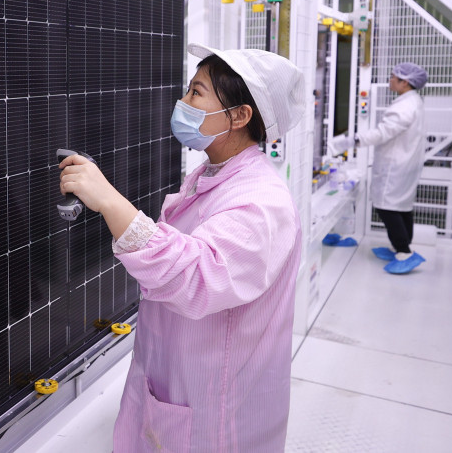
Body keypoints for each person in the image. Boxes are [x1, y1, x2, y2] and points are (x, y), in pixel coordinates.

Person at [58, 44, 305, 452]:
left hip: (218, 406)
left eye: (196, 93)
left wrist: (110, 202)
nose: (183, 102)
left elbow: (196, 275)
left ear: (240, 116)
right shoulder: (211, 173)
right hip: (180, 375)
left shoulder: (262, 203)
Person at [329, 62, 428, 274]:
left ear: (405, 82)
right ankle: (398, 247)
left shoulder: (404, 106)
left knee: (387, 206)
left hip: (396, 165)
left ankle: (404, 252)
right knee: (402, 206)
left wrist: (352, 141)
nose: (390, 80)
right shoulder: (413, 101)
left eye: (394, 77)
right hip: (405, 162)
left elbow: (383, 133)